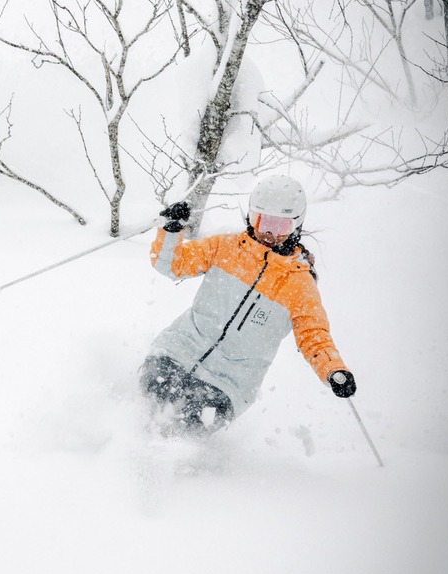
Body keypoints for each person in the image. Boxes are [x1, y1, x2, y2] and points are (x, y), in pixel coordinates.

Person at [141, 175, 355, 435]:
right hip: (177, 351)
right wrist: (172, 231)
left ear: (296, 225)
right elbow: (171, 264)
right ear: (251, 217)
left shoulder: (299, 285)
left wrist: (333, 370)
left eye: (280, 225)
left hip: (229, 384)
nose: (269, 233)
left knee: (187, 425)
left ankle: (172, 468)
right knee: (149, 399)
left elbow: (314, 335)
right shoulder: (225, 248)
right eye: (263, 221)